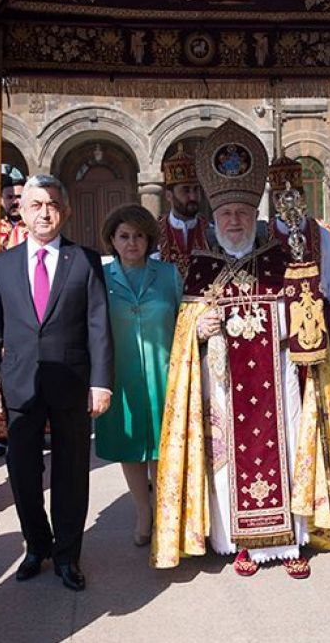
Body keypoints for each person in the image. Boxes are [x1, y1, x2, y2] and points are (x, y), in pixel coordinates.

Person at [152, 119, 330, 579]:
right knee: (228, 463)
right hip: (223, 388)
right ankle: (242, 541)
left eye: (242, 214)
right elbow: (183, 334)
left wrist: (306, 307)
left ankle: (288, 541)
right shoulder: (202, 268)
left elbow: (309, 320)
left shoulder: (282, 259)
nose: (234, 221)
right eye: (226, 215)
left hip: (279, 381)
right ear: (215, 218)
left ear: (254, 216)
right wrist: (198, 330)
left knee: (283, 449)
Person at [0, 174, 113, 591]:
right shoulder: (2, 264)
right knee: (23, 473)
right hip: (19, 385)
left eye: (52, 204)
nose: (45, 212)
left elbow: (99, 326)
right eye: (36, 204)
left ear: (65, 211)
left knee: (72, 473)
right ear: (21, 209)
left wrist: (101, 382)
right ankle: (37, 545)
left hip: (72, 385)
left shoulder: (85, 261)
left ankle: (68, 555)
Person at [96, 204, 182, 547]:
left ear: (149, 239)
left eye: (139, 236)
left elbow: (182, 321)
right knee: (130, 446)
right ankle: (142, 510)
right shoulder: (100, 279)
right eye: (124, 236)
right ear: (112, 240)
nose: (132, 243)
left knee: (164, 447)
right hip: (121, 376)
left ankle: (165, 511)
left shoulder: (168, 275)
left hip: (164, 374)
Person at [267, 155, 330, 429]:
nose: (289, 203)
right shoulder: (264, 235)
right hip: (282, 322)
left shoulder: (320, 234)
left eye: (294, 195)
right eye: (282, 197)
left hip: (319, 320)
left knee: (323, 384)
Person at [0, 174, 27, 458]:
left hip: (29, 302)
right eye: (10, 197)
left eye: (18, 197)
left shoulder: (33, 228)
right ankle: (0, 432)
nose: (14, 202)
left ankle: (43, 429)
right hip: (2, 301)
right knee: (0, 368)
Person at [156, 144, 208, 278]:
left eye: (196, 189)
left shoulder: (211, 231)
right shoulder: (154, 233)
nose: (193, 197)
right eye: (185, 190)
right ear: (169, 196)